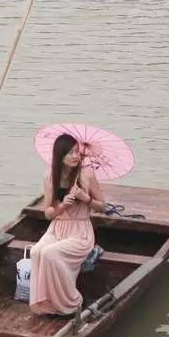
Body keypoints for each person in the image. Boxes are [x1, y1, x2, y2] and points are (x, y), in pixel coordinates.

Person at [29, 132, 103, 316]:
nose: (75, 156)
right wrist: (62, 206)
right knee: (36, 251)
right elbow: (48, 213)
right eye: (70, 152)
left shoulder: (87, 174)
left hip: (80, 232)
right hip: (57, 228)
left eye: (77, 152)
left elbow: (102, 206)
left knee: (50, 253)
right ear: (60, 156)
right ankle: (48, 304)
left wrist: (85, 198)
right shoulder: (50, 175)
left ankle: (73, 302)